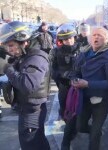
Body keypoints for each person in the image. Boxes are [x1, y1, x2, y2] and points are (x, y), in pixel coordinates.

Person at [0, 21, 50, 150]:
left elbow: (27, 85)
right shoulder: (24, 56)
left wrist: (7, 68)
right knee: (39, 142)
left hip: (32, 111)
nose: (9, 50)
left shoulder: (36, 58)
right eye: (7, 47)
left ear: (23, 41)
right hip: (27, 108)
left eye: (11, 45)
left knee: (30, 144)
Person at [71, 26, 108, 150]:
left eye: (100, 35)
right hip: (84, 97)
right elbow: (76, 71)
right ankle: (95, 132)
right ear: (89, 38)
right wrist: (74, 79)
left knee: (94, 134)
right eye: (94, 35)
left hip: (101, 100)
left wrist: (88, 84)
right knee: (80, 127)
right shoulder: (84, 53)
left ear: (106, 39)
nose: (96, 37)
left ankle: (96, 134)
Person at [50, 23, 80, 150]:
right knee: (64, 111)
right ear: (61, 40)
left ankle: (68, 137)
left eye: (70, 38)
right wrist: (63, 75)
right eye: (65, 39)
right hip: (64, 86)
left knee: (76, 113)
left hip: (78, 87)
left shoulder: (82, 50)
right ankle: (70, 128)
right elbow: (52, 71)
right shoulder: (55, 51)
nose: (69, 41)